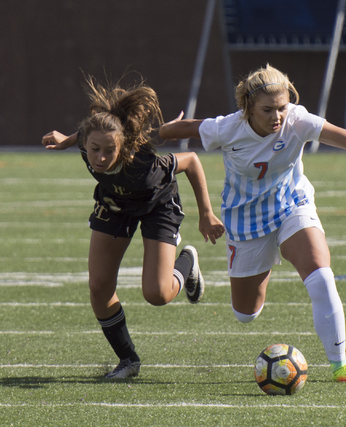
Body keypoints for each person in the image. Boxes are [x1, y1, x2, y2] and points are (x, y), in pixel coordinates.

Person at [159, 64, 346, 383]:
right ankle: (194, 264)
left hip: (291, 205)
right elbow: (178, 130)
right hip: (246, 219)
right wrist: (144, 136)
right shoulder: (227, 128)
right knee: (246, 314)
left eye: (282, 107)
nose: (277, 116)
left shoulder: (298, 120)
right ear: (248, 108)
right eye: (267, 110)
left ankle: (340, 365)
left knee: (321, 275)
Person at [42, 76, 225, 379]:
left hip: (157, 205)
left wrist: (206, 213)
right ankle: (128, 360)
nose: (99, 157)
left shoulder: (146, 167)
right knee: (99, 287)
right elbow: (94, 132)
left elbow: (191, 160)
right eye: (93, 149)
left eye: (108, 151)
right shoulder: (89, 143)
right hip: (115, 204)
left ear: (123, 145)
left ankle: (187, 262)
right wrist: (68, 139)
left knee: (157, 294)